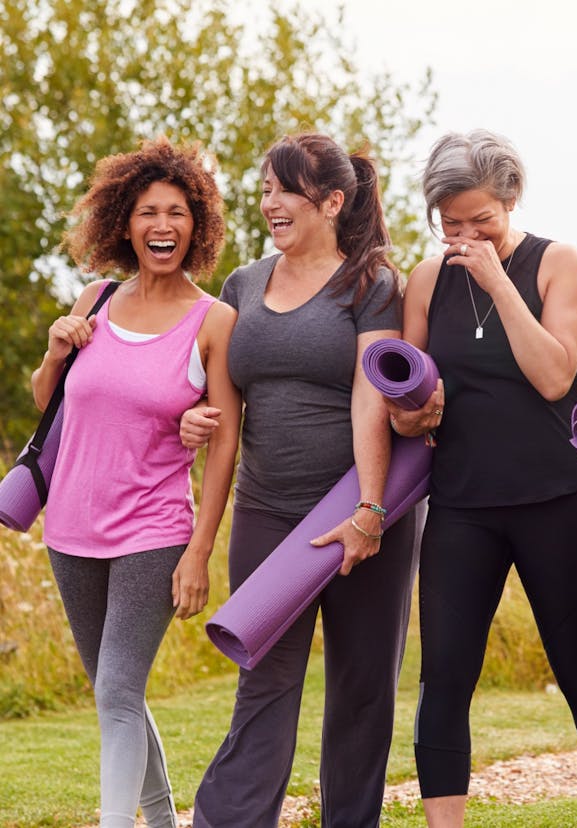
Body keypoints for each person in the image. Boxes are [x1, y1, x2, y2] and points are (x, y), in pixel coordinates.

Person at [384, 129, 577, 828]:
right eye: (451, 224)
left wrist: (497, 280)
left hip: (559, 498)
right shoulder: (428, 280)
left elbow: (557, 376)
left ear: (510, 199)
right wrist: (411, 415)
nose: (465, 237)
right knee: (443, 683)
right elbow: (410, 397)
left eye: (482, 222)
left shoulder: (561, 265)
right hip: (462, 506)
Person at [180, 133, 419, 828]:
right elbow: (220, 409)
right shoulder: (242, 285)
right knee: (265, 680)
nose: (270, 204)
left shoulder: (372, 282)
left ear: (333, 201)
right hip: (267, 510)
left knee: (362, 687)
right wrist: (192, 420)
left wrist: (371, 508)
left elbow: (372, 394)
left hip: (356, 509)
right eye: (264, 190)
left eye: (286, 190)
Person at [30, 136, 240, 828]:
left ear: (197, 226)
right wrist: (58, 352)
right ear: (125, 222)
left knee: (119, 687)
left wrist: (199, 551)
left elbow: (225, 443)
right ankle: (161, 817)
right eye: (149, 211)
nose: (163, 225)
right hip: (69, 530)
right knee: (113, 692)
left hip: (153, 531)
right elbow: (46, 403)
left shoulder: (214, 322)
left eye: (178, 213)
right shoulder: (95, 300)